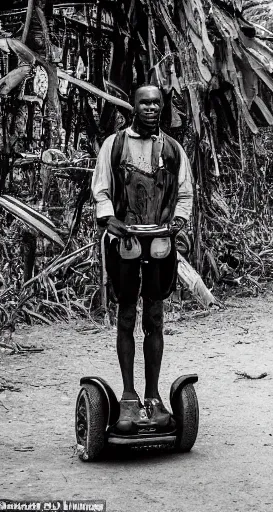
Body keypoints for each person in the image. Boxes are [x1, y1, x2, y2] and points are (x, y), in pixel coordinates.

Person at [91, 85, 194, 432]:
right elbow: (101, 190)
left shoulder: (172, 149)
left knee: (155, 317)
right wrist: (111, 220)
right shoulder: (114, 145)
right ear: (133, 106)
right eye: (144, 102)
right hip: (125, 242)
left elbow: (185, 193)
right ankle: (129, 397)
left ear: (162, 107)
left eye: (156, 103)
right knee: (126, 316)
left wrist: (177, 223)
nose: (150, 108)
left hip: (159, 244)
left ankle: (153, 396)